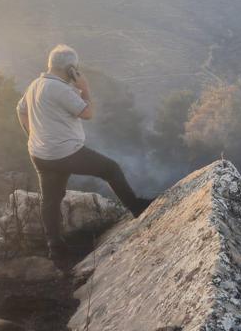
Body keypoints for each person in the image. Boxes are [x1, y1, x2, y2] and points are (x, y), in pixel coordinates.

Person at [16, 44, 151, 255]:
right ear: (71, 69)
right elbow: (87, 113)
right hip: (66, 153)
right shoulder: (61, 89)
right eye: (76, 68)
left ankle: (55, 247)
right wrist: (85, 88)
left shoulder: (36, 84)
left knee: (50, 199)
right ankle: (137, 208)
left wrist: (32, 135)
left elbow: (21, 111)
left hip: (40, 154)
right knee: (111, 169)